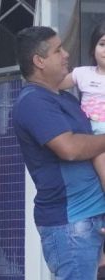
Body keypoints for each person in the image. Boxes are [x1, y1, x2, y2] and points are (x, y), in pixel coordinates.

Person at [14, 26, 105, 280]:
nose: (66, 55)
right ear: (39, 61)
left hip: (84, 217)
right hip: (70, 219)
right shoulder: (33, 102)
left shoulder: (62, 98)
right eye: (57, 50)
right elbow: (68, 148)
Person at [58, 22, 105, 189]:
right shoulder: (82, 73)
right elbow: (53, 85)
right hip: (92, 137)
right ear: (93, 49)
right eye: (102, 44)